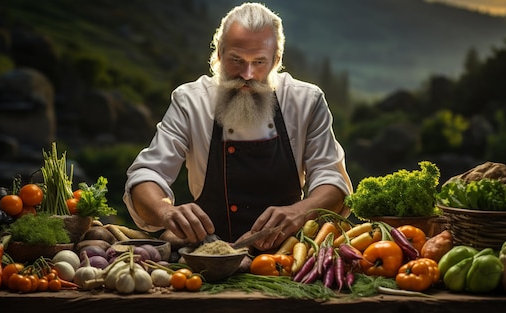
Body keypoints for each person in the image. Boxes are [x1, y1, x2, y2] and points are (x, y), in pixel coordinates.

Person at [123, 2, 352, 252]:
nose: (247, 74)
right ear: (219, 54)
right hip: (208, 255)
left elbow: (332, 180)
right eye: (236, 60)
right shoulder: (190, 101)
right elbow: (147, 174)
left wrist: (300, 211)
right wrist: (165, 211)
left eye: (259, 62)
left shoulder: (307, 101)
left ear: (277, 60)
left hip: (288, 256)